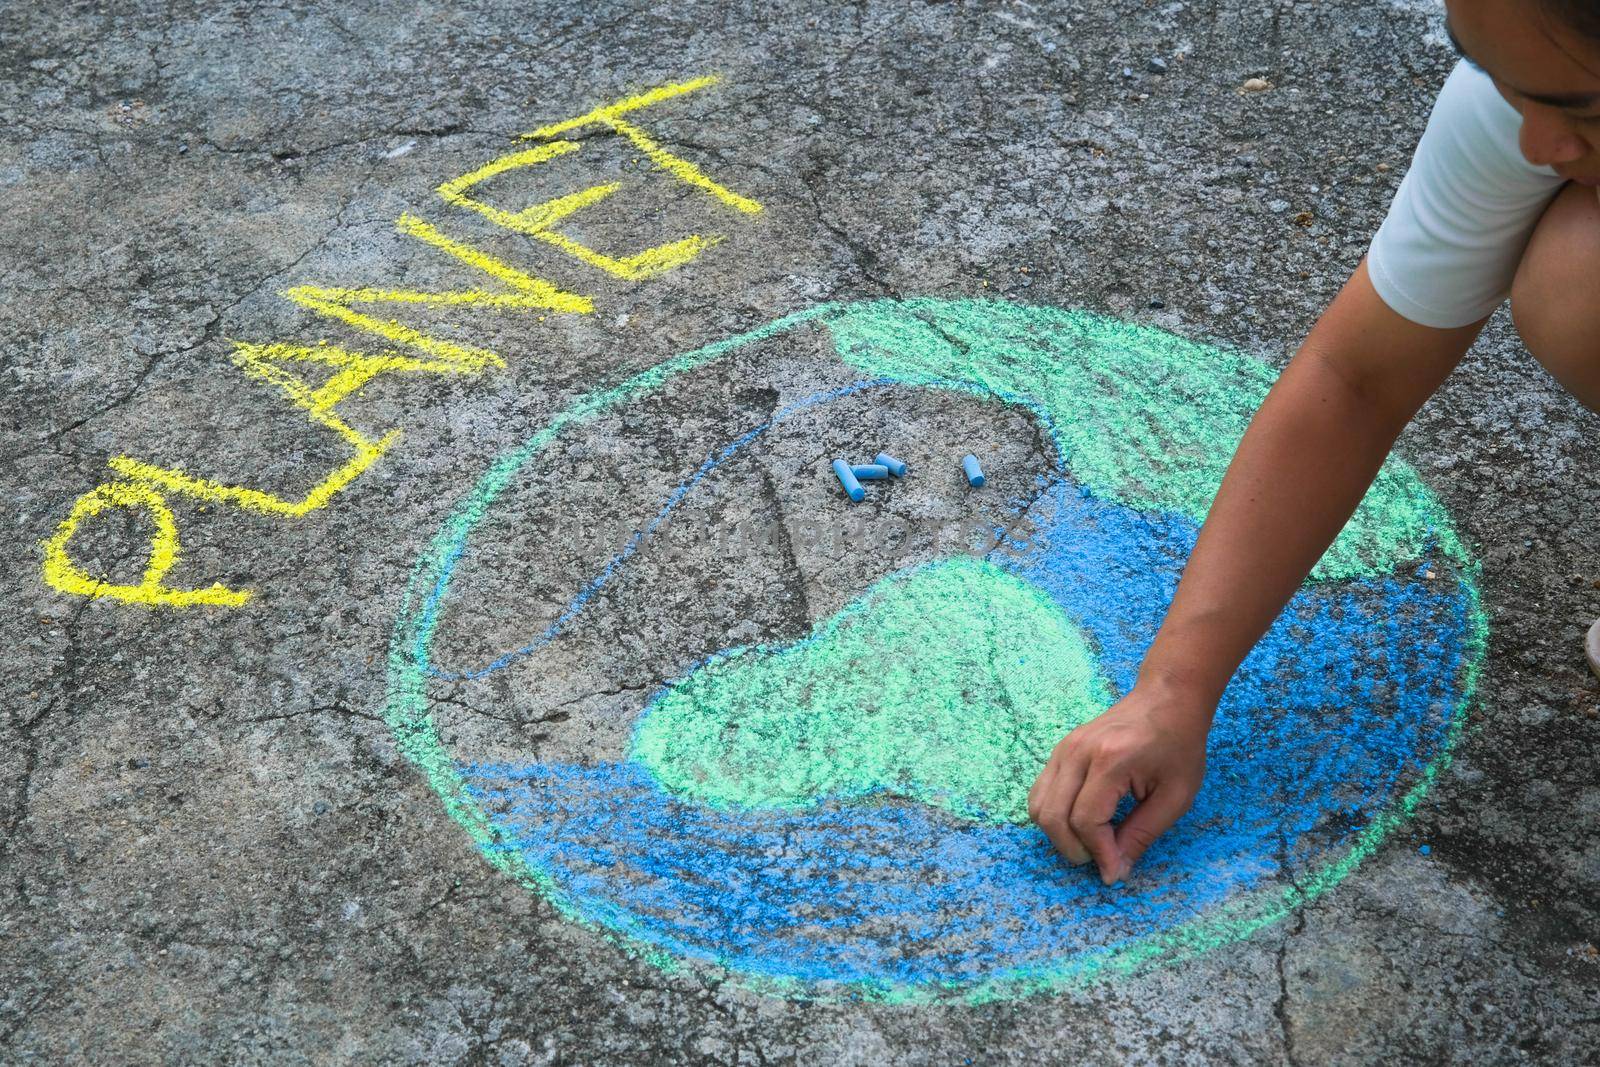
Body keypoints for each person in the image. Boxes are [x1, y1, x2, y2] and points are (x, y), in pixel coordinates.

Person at [1027, 0, 1600, 886]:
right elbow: (1356, 380)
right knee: (1582, 286)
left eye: (1580, 110)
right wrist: (1173, 690)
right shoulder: (1529, 93)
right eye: (1500, 79)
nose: (1536, 143)